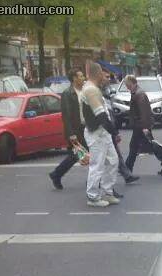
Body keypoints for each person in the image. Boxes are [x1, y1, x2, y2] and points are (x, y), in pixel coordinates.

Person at [80, 61, 122, 208]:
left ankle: (106, 192)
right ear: (98, 73)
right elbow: (101, 115)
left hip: (102, 132)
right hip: (97, 133)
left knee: (113, 161)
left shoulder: (92, 88)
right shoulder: (91, 90)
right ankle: (93, 196)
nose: (105, 76)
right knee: (97, 165)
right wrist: (114, 132)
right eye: (103, 73)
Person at [124, 75, 162, 176]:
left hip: (141, 126)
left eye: (128, 85)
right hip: (140, 125)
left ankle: (127, 170)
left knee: (136, 147)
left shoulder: (139, 94)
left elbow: (144, 112)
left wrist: (145, 127)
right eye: (126, 85)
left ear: (134, 83)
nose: (127, 87)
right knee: (151, 147)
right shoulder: (136, 93)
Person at [49, 68, 87, 190]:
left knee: (78, 155)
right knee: (80, 154)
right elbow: (66, 115)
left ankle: (56, 174)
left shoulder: (84, 91)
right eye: (81, 76)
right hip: (76, 130)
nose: (83, 78)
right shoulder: (67, 93)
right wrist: (71, 133)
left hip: (85, 128)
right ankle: (56, 174)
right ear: (74, 78)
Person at [101, 69, 138, 185]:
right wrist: (114, 131)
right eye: (106, 77)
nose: (109, 79)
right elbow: (103, 114)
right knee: (99, 159)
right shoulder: (97, 92)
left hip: (109, 128)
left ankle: (127, 175)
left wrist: (114, 129)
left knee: (115, 154)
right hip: (102, 130)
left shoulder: (108, 90)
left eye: (109, 77)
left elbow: (110, 111)